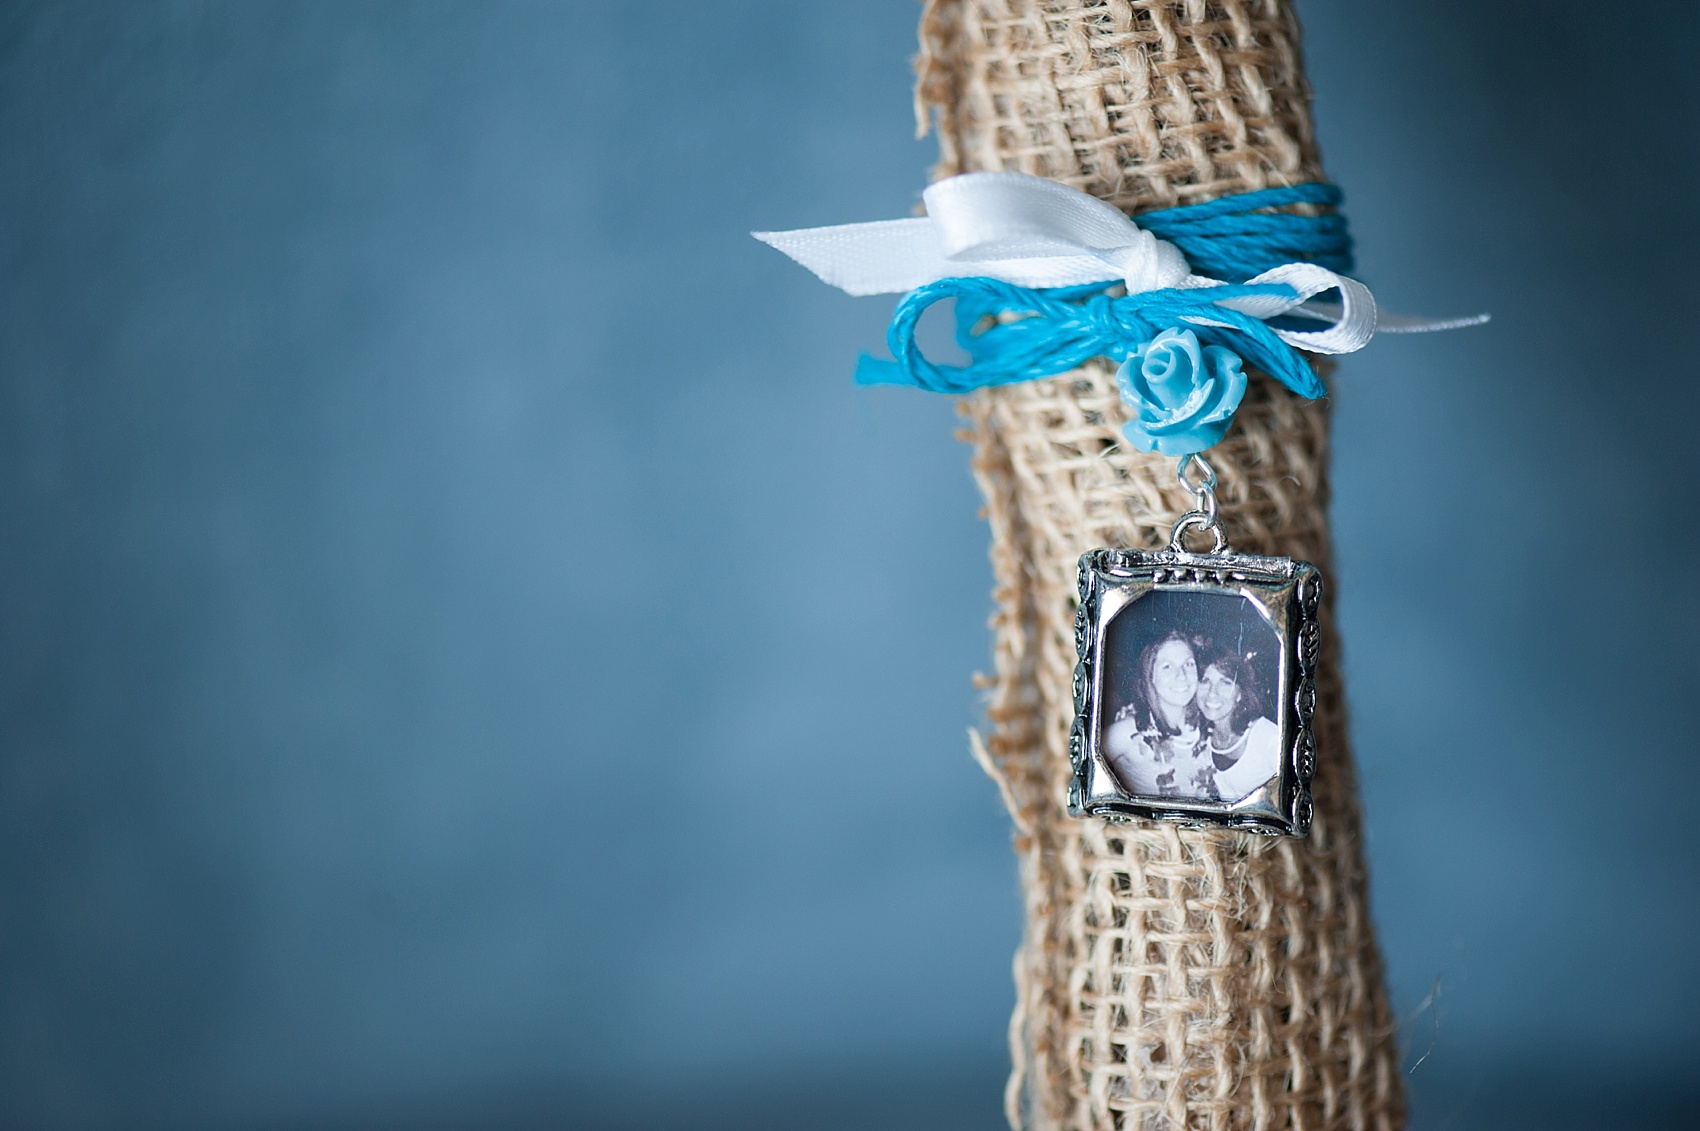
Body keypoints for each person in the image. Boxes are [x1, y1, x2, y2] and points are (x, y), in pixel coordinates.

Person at [1101, 632, 1213, 798]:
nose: (1181, 675)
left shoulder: (1207, 727)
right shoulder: (1127, 732)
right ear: (1150, 676)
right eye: (1167, 666)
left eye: (1188, 664)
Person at [1194, 649, 1282, 803]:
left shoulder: (1266, 736)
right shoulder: (1199, 739)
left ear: (1240, 693)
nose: (1212, 692)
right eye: (1205, 680)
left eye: (1225, 682)